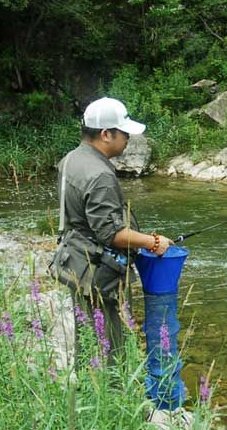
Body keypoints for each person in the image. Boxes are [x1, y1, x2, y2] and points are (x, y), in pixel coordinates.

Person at [54, 96, 173, 364]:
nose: (128, 138)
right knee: (112, 345)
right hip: (100, 275)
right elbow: (111, 234)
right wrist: (153, 241)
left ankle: (87, 390)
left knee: (87, 336)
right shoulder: (100, 175)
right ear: (106, 134)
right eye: (124, 132)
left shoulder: (70, 160)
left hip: (75, 263)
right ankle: (113, 398)